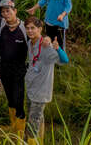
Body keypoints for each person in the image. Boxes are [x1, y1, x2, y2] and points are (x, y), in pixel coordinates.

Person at [24, 16, 69, 144]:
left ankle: (31, 142)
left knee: (33, 123)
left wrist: (57, 48)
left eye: (33, 28)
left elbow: (65, 60)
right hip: (31, 89)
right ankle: (39, 140)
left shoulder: (45, 46)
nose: (30, 31)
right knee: (35, 119)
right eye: (27, 28)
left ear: (40, 29)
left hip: (41, 92)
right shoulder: (30, 43)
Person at [0, 0, 29, 140]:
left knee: (18, 99)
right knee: (10, 98)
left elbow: (35, 42)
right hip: (4, 68)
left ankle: (20, 133)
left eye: (8, 10)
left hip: (19, 69)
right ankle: (13, 125)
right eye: (3, 12)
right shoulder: (2, 24)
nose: (5, 14)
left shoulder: (25, 28)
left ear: (15, 11)